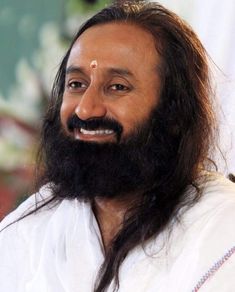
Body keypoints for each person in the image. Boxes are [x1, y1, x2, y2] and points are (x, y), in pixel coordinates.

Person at [0, 1, 235, 291]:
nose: (86, 110)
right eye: (76, 84)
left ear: (174, 112)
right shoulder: (27, 233)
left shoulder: (222, 230)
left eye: (117, 87)